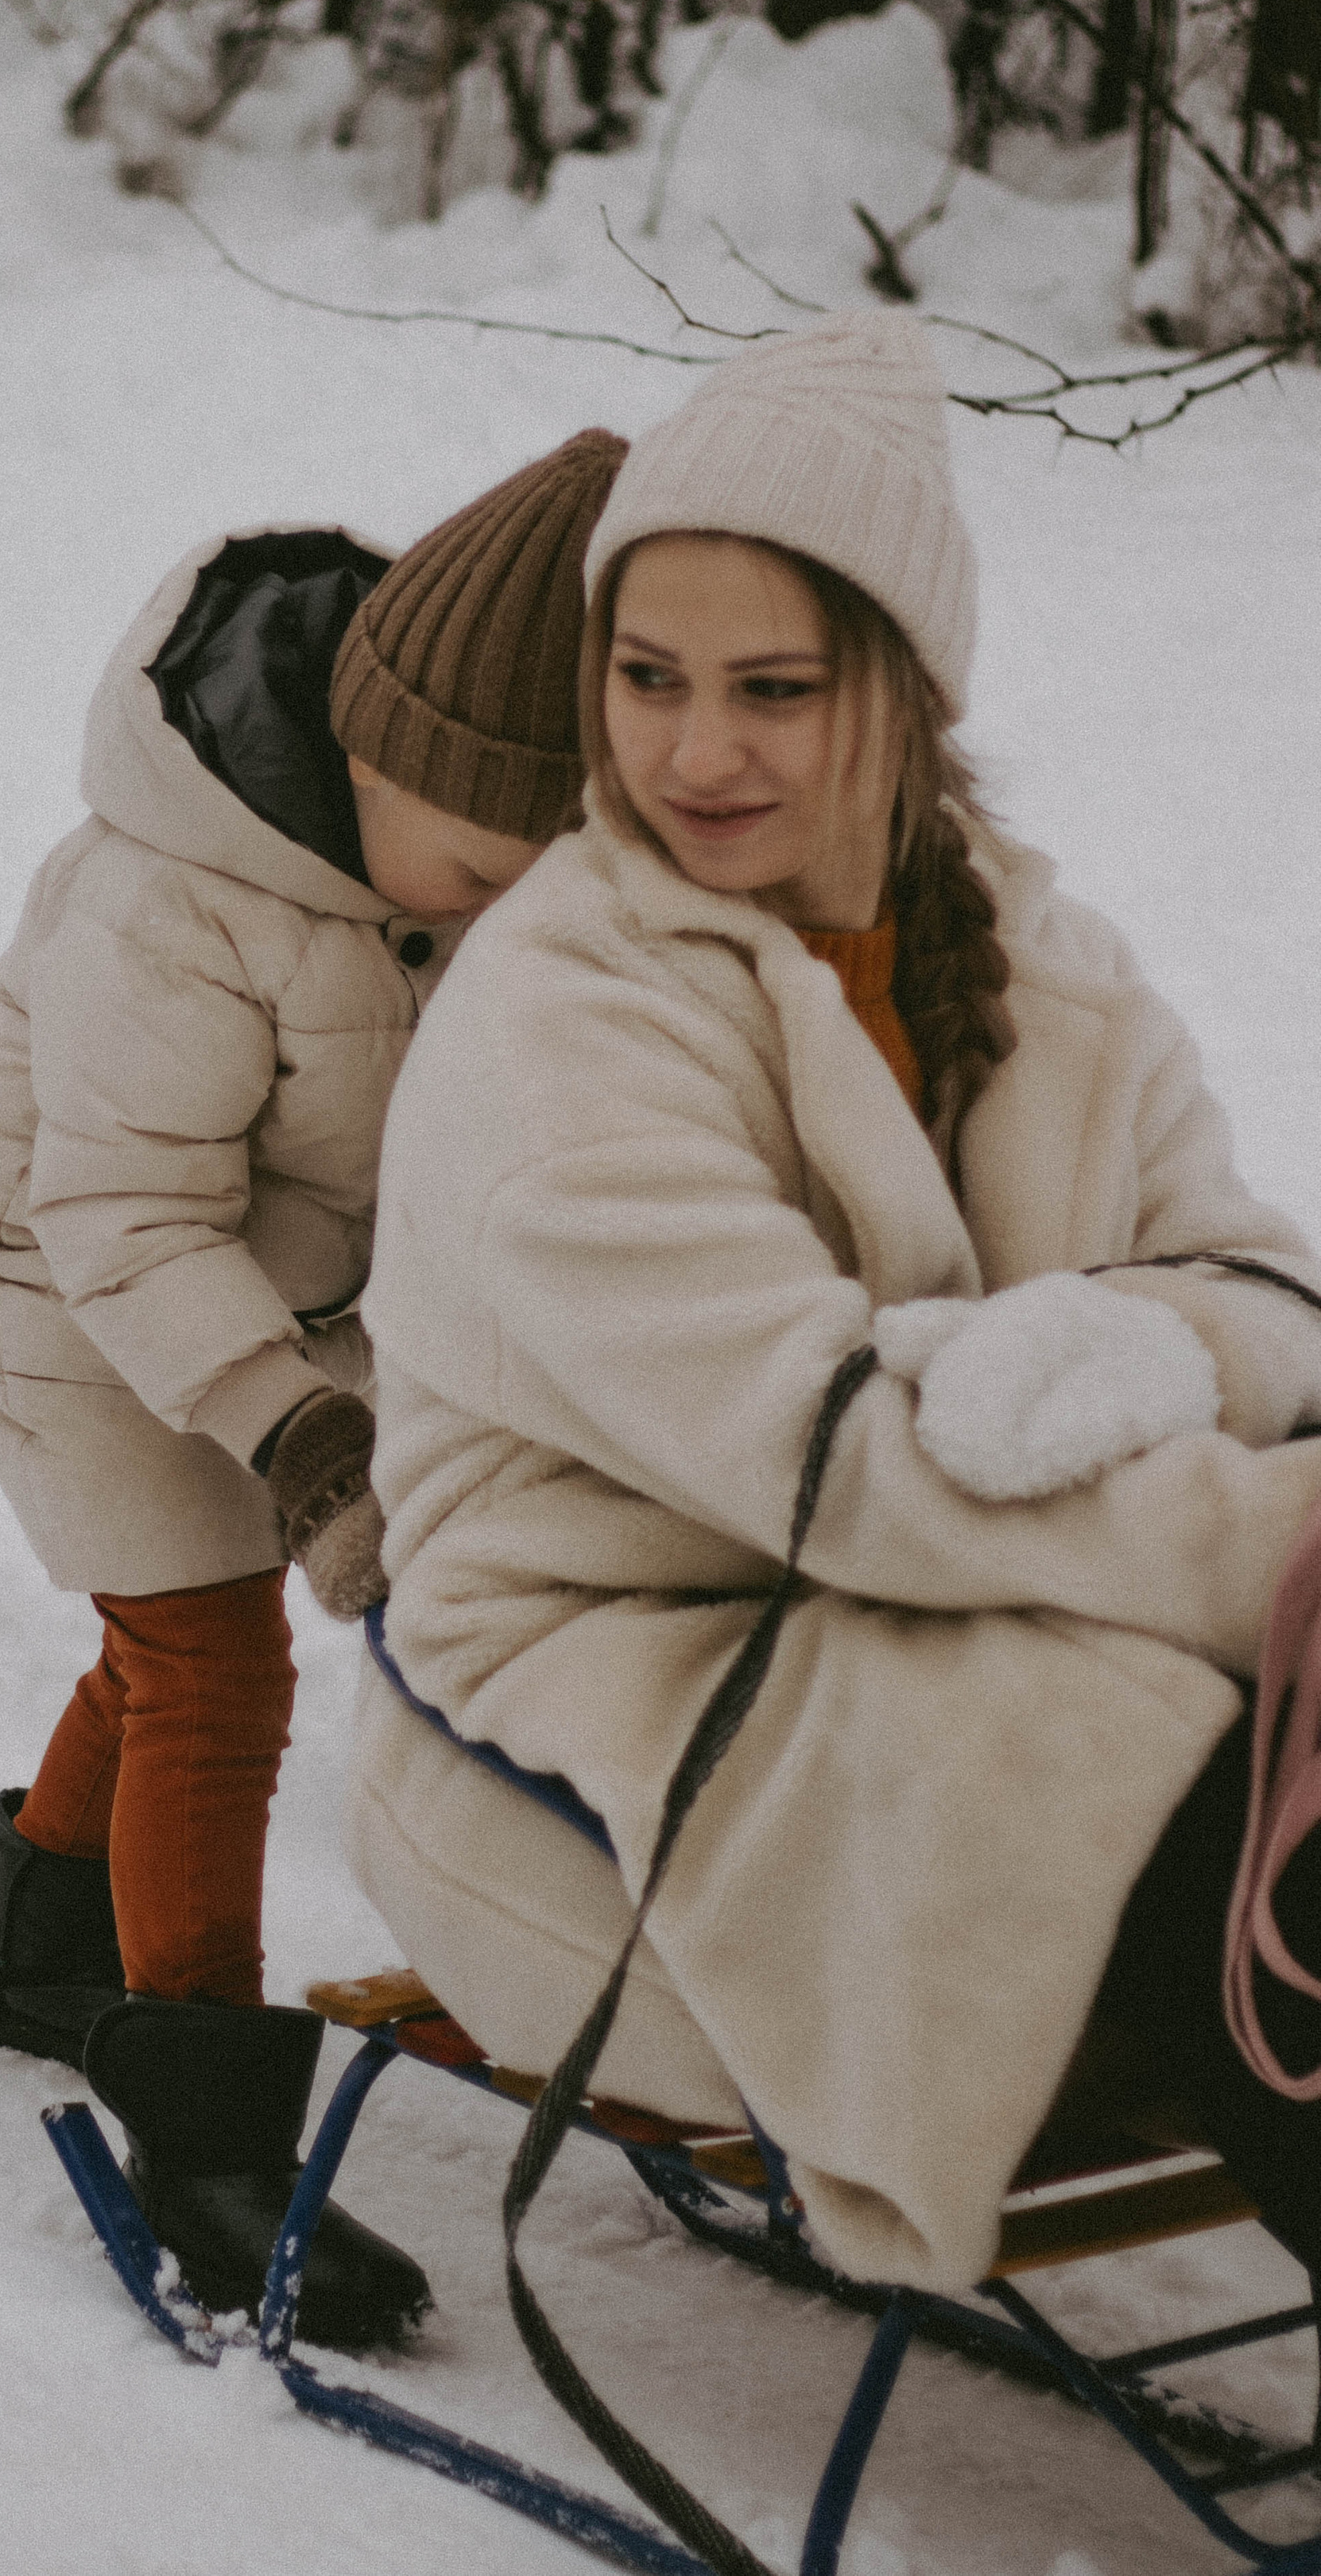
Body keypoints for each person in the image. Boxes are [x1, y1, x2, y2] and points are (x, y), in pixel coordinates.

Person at [346, 309, 1321, 2301]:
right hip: (622, 1676)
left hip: (951, 1608)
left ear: (900, 691)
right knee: (1229, 1811)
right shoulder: (562, 1018)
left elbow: (1254, 1278)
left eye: (770, 689)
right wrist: (1278, 1547)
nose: (693, 753)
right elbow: (838, 1455)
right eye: (645, 678)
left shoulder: (1035, 959)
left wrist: (1161, 1345)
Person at [0, 427, 626, 2348]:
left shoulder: (446, 881)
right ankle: (208, 2144)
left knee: (161, 1648)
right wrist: (305, 1439)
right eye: (481, 865)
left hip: (269, 1266)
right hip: (69, 1275)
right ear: (359, 756)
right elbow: (127, 1217)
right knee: (215, 1662)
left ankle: (41, 1949)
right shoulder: (176, 902)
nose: (500, 905)